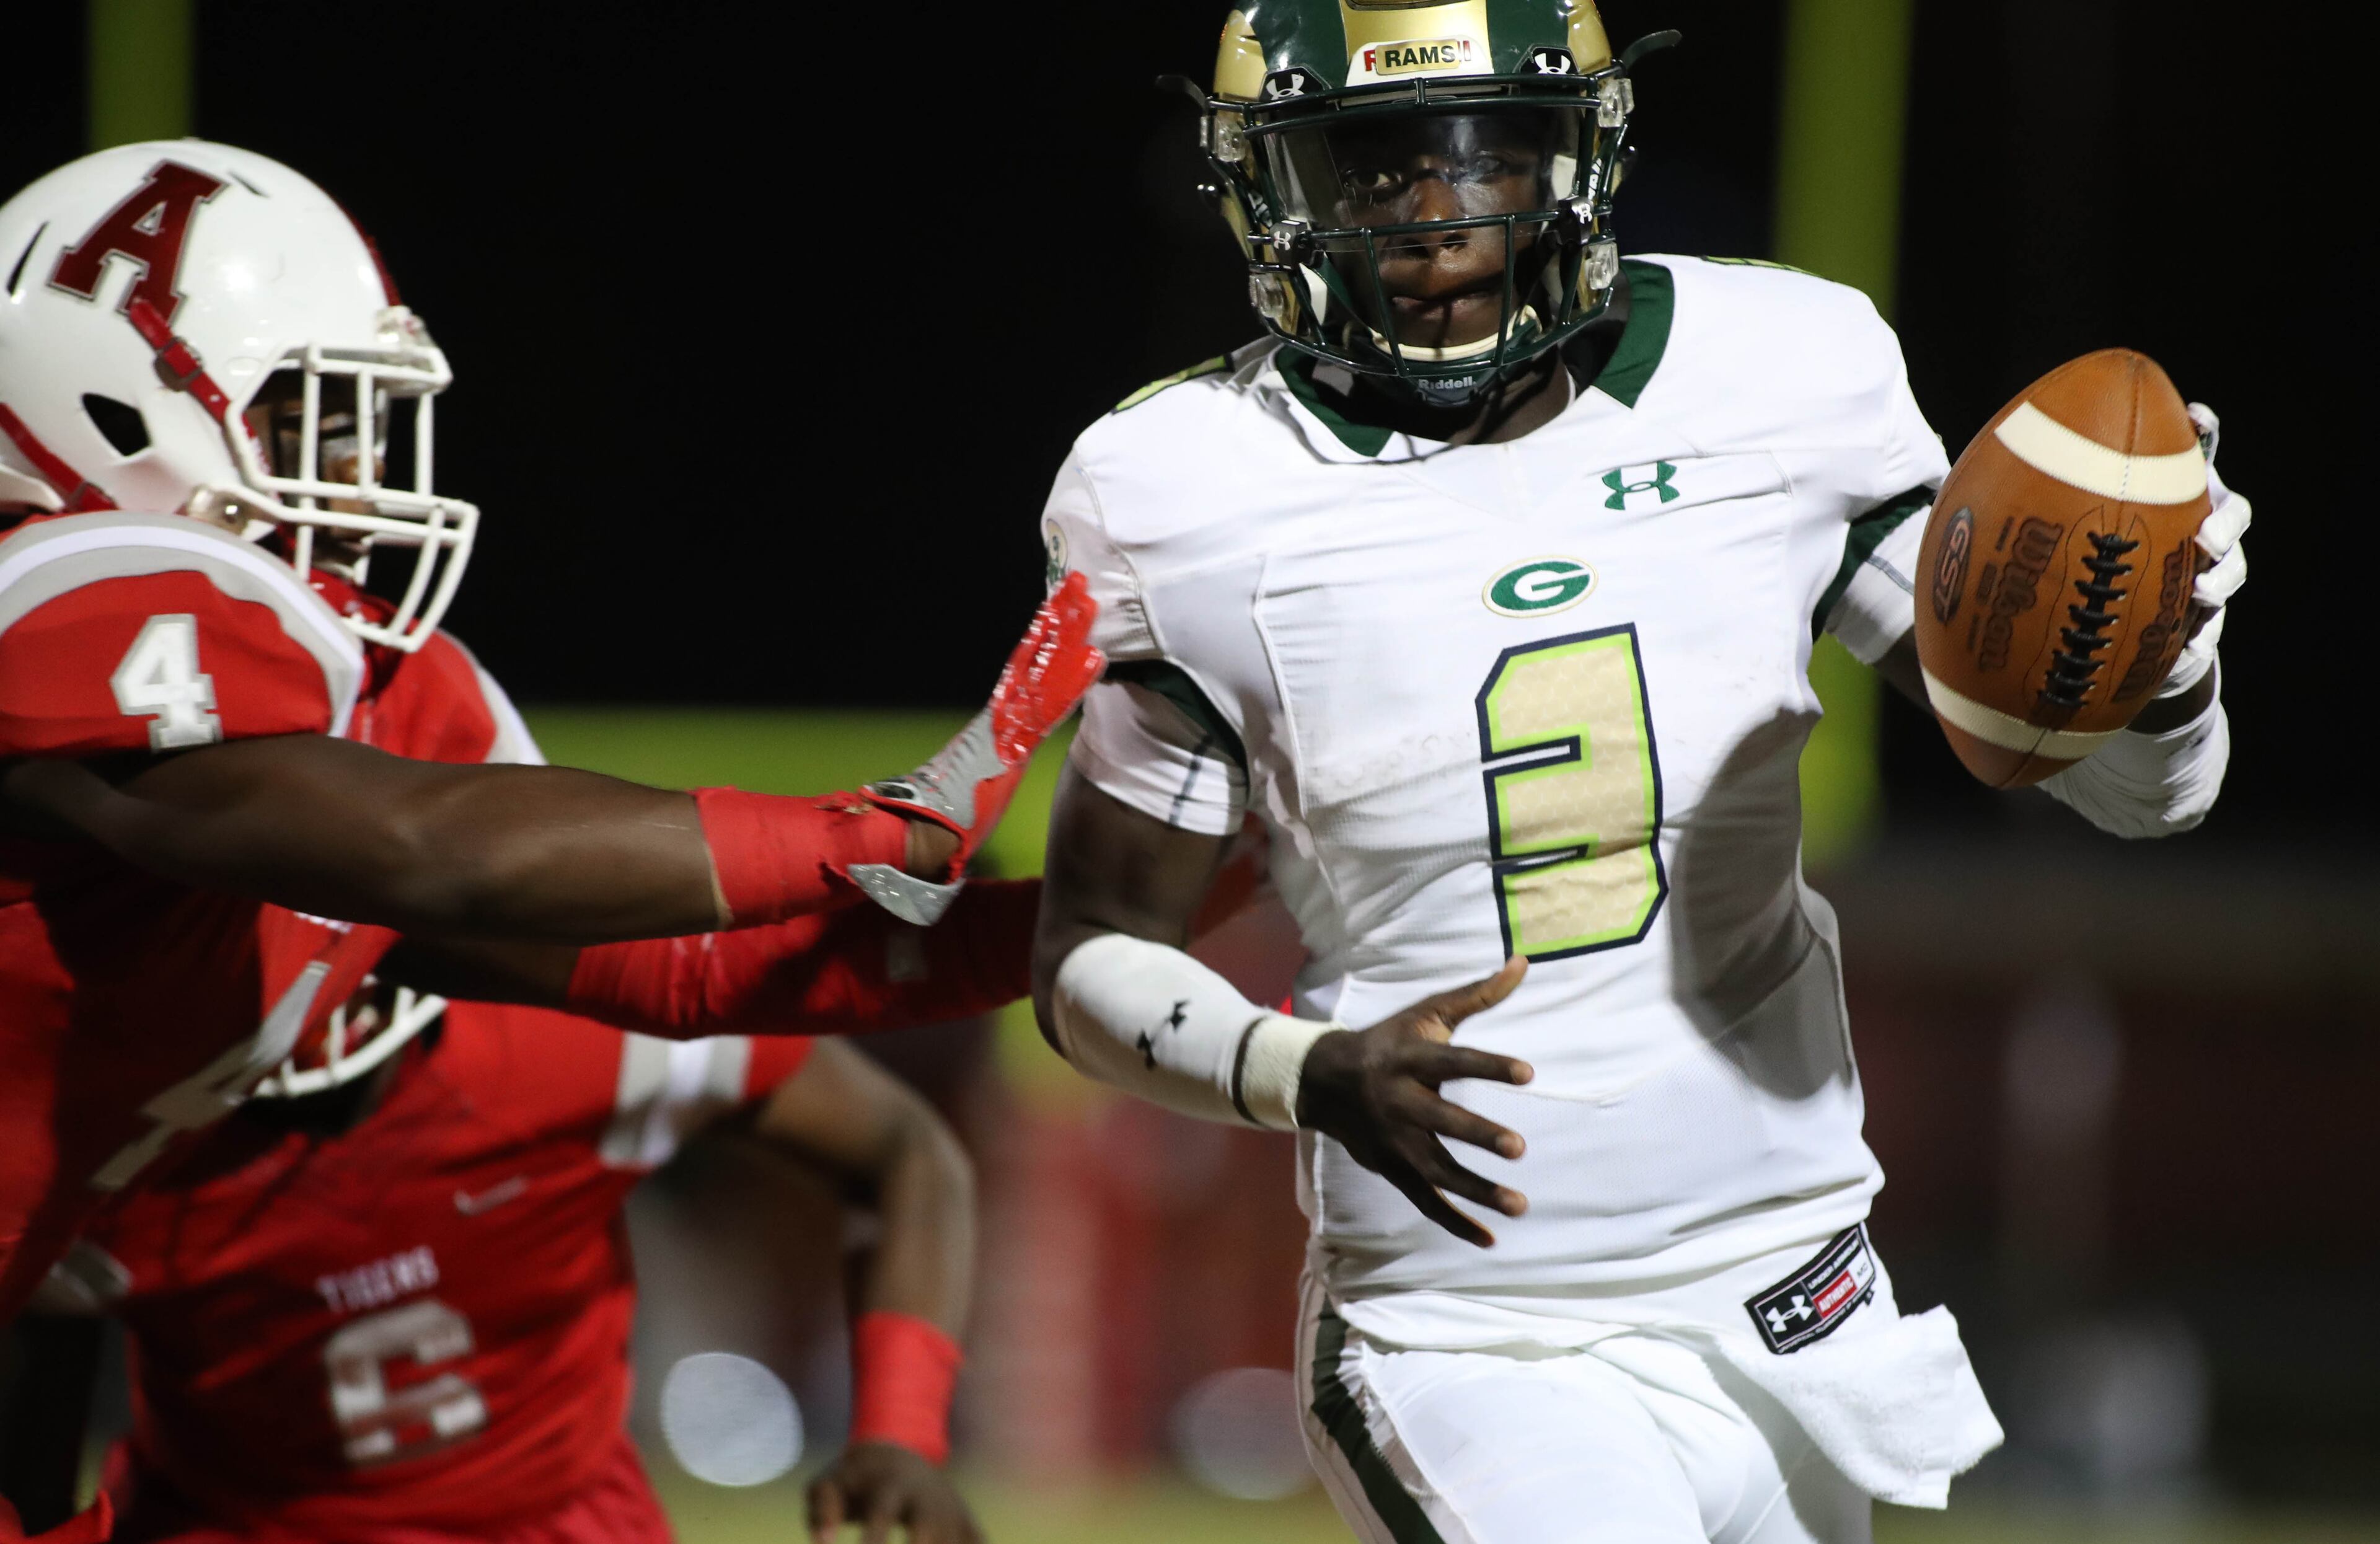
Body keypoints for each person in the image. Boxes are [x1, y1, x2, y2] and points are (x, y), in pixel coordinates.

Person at [1025, 5, 2249, 1542]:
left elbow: (2143, 794)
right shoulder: (1183, 487)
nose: (1439, 214)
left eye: (1488, 155)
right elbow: (1087, 964)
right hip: (1480, 1336)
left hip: (1794, 1277)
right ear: (1265, 189)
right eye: (1372, 164)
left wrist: (2165, 652)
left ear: (1584, 152)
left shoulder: (1787, 374)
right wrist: (1301, 1072)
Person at [0, 137, 1100, 1362]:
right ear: (107, 411)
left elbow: (691, 971)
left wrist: (1103, 916)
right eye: (308, 418)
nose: (361, 477)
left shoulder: (366, 700)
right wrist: (871, 829)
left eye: (362, 422)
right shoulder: (58, 589)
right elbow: (427, 850)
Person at [33, 999, 984, 1544]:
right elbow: (31, 1432)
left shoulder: (570, 1040)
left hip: (554, 1520)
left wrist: (900, 1425)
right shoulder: (92, 1137)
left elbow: (904, 1149)